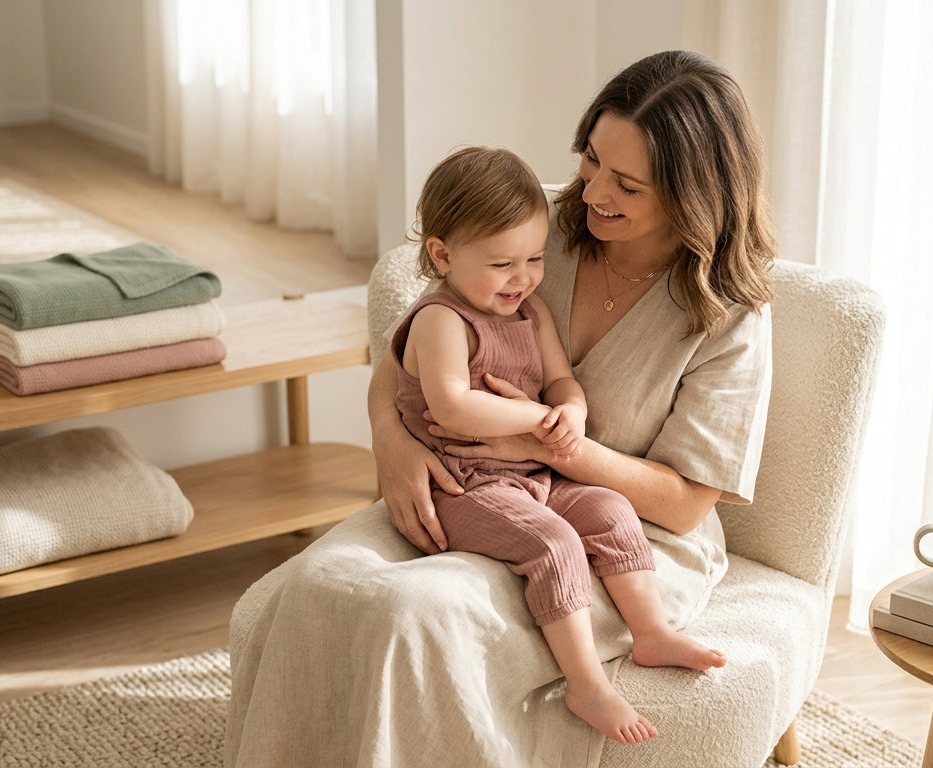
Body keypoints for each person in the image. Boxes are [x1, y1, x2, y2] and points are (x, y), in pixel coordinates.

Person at [226, 50, 775, 768]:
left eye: (627, 184)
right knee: (314, 583)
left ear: (692, 194)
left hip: (627, 545)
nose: (593, 193)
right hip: (468, 486)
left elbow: (684, 506)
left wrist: (552, 447)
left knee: (414, 616)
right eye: (590, 160)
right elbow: (404, 355)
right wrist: (391, 441)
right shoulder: (537, 229)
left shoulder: (729, 317)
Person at [391, 144, 726, 746]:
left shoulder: (530, 311)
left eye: (536, 259)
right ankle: (586, 683)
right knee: (554, 543)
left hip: (536, 474)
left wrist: (568, 410)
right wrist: (537, 418)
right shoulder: (440, 319)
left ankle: (650, 632)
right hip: (463, 483)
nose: (522, 278)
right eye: (501, 265)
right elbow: (451, 404)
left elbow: (560, 378)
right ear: (442, 255)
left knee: (609, 509)